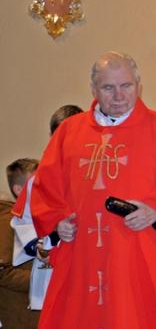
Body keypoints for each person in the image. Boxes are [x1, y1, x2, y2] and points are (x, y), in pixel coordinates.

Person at [30, 51, 156, 329]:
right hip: (82, 257)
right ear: (93, 90)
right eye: (108, 88)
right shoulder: (69, 132)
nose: (119, 96)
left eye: (126, 85)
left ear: (138, 85)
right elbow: (45, 189)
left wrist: (155, 211)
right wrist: (58, 223)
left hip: (142, 250)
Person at [10, 105, 83, 314]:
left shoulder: (100, 177)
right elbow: (22, 223)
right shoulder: (37, 182)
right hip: (52, 268)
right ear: (52, 137)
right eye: (61, 136)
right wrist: (41, 247)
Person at [1, 158, 40, 328]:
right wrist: (42, 279)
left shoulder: (37, 218)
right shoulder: (6, 221)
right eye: (38, 183)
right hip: (20, 316)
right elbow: (3, 271)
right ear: (19, 190)